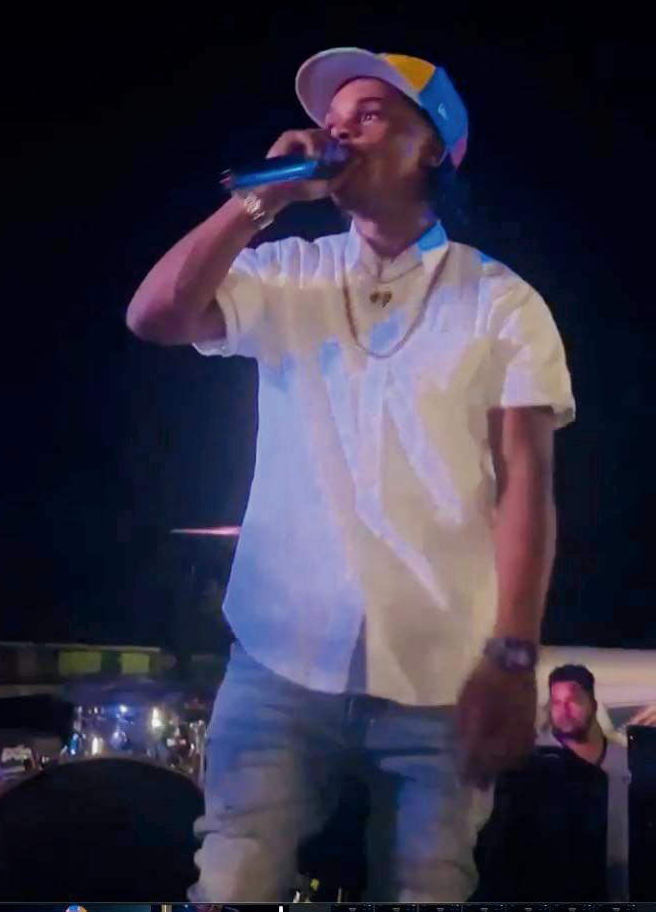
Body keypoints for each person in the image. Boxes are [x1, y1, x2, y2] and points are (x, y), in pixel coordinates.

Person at [127, 47, 576, 901]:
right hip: (278, 657)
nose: (339, 132)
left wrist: (514, 655)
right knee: (228, 885)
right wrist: (258, 200)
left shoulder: (500, 301)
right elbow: (154, 317)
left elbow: (526, 483)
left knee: (427, 888)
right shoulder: (289, 272)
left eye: (369, 115)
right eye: (332, 120)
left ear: (432, 146)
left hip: (440, 671)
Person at [536, 663, 656, 899]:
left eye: (573, 700)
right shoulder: (536, 762)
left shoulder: (626, 759)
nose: (564, 709)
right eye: (557, 702)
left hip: (623, 884)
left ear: (592, 703)